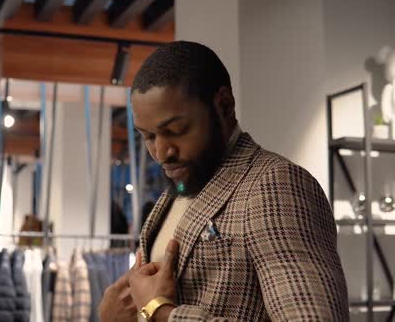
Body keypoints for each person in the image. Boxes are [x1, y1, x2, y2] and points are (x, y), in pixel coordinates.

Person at [98, 41, 348, 321]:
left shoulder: (275, 185)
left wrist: (163, 313)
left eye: (177, 130)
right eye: (148, 136)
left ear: (224, 105)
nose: (161, 153)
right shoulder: (180, 190)